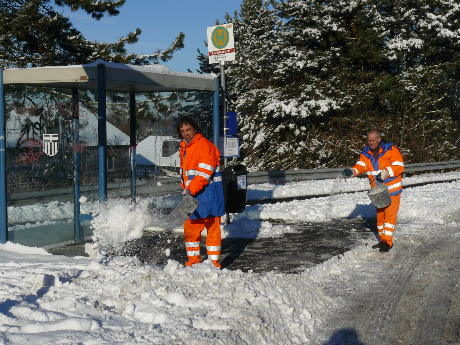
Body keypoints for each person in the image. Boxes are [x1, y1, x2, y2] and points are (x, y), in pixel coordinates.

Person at [342, 129, 404, 252]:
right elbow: (360, 166)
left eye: (373, 140)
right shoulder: (366, 153)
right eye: (369, 140)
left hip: (392, 190)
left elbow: (399, 166)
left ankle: (387, 242)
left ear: (379, 139)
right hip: (378, 191)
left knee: (389, 217)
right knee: (380, 218)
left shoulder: (391, 150)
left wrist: (386, 173)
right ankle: (382, 240)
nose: (371, 142)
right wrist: (352, 171)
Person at [177, 116, 225, 268]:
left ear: (195, 129)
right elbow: (186, 174)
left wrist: (190, 190)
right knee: (190, 229)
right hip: (192, 195)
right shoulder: (185, 148)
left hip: (209, 195)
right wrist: (185, 189)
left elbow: (204, 174)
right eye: (182, 131)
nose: (185, 133)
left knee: (212, 229)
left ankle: (213, 263)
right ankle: (193, 260)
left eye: (188, 130)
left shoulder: (205, 146)